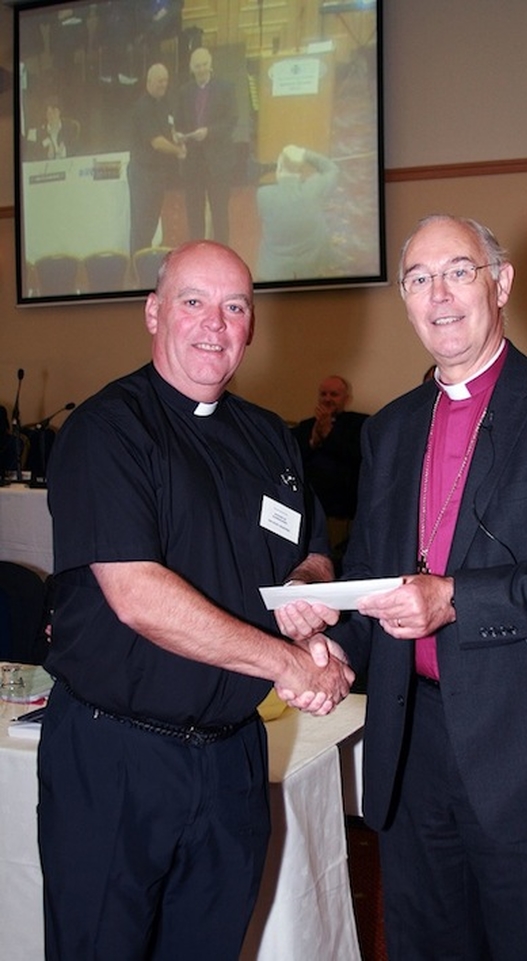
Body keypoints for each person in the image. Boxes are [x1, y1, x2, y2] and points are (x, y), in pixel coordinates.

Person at [279, 215, 527, 960]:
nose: (438, 294)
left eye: (458, 271)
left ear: (501, 282)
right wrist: (329, 635)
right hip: (415, 751)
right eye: (418, 278)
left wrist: (456, 599)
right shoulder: (391, 429)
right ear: (405, 300)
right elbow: (378, 572)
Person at [38, 240, 353, 961]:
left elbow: (308, 549)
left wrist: (305, 591)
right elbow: (138, 596)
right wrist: (287, 662)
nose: (215, 323)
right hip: (115, 759)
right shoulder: (107, 429)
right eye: (193, 301)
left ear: (251, 326)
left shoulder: (270, 436)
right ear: (154, 313)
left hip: (232, 764)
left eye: (235, 306)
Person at [292, 375, 367, 567]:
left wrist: (329, 435)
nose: (327, 398)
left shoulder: (359, 425)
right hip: (307, 512)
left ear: (346, 399)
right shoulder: (305, 427)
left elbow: (358, 458)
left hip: (344, 514)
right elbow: (293, 461)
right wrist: (314, 440)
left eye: (334, 394)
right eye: (323, 394)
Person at [175, 47, 238, 244]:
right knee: (194, 214)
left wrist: (209, 132)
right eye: (197, 66)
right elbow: (178, 122)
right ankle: (197, 253)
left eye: (204, 65)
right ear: (191, 68)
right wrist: (177, 134)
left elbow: (231, 121)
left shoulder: (226, 88)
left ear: (211, 65)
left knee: (220, 214)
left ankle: (222, 256)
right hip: (193, 164)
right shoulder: (184, 91)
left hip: (218, 163)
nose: (201, 69)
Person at [256, 144, 339, 281]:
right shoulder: (314, 189)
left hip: (273, 273)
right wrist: (305, 154)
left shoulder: (263, 195)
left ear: (279, 168)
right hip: (311, 268)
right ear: (300, 170)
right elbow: (332, 169)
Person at [127, 62, 186, 255]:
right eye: (160, 80)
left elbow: (170, 128)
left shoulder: (165, 103)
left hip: (158, 173)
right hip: (143, 173)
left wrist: (178, 136)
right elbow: (157, 142)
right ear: (149, 81)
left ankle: (143, 262)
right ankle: (136, 269)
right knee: (142, 224)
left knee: (151, 222)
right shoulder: (143, 106)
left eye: (166, 80)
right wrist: (178, 150)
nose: (164, 84)